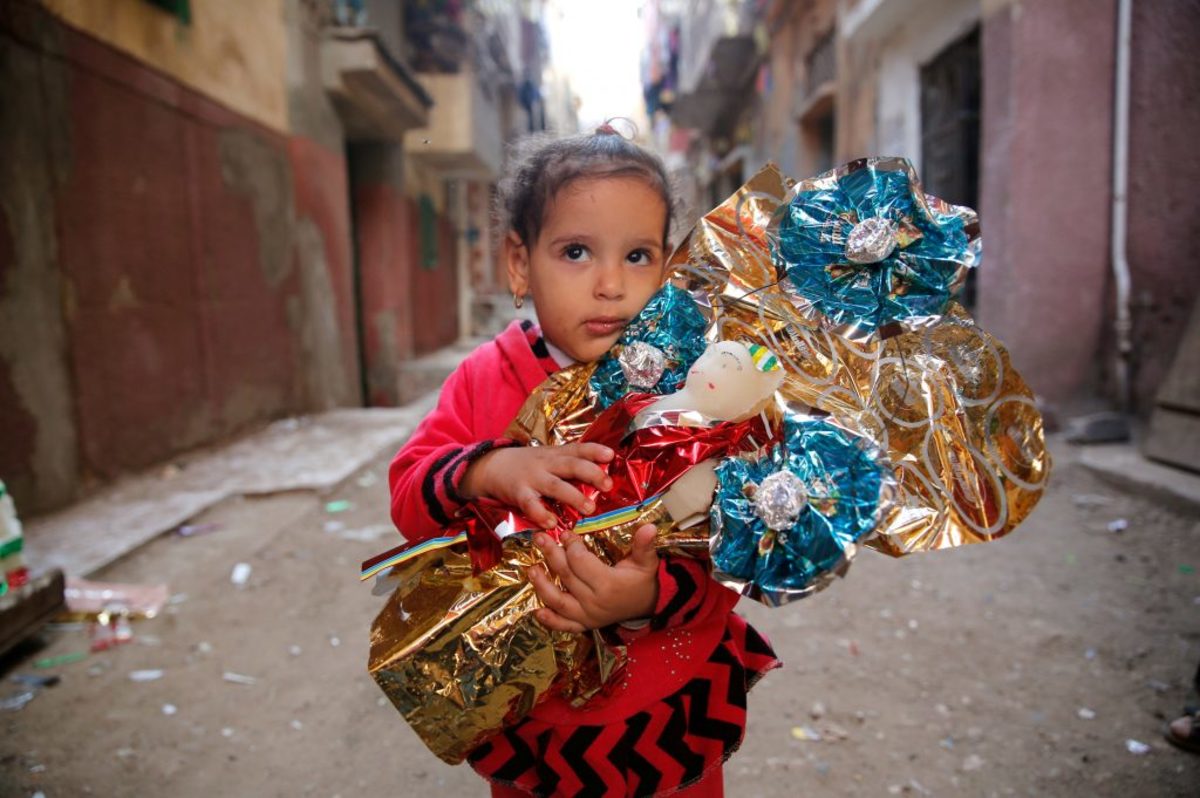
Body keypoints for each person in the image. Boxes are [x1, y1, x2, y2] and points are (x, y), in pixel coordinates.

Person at [388, 126, 780, 797]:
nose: (609, 285)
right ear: (519, 263)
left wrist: (651, 595)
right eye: (575, 251)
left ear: (669, 268)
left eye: (637, 255)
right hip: (538, 723)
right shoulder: (489, 378)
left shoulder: (701, 388)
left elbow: (742, 545)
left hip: (670, 711)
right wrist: (487, 470)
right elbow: (408, 495)